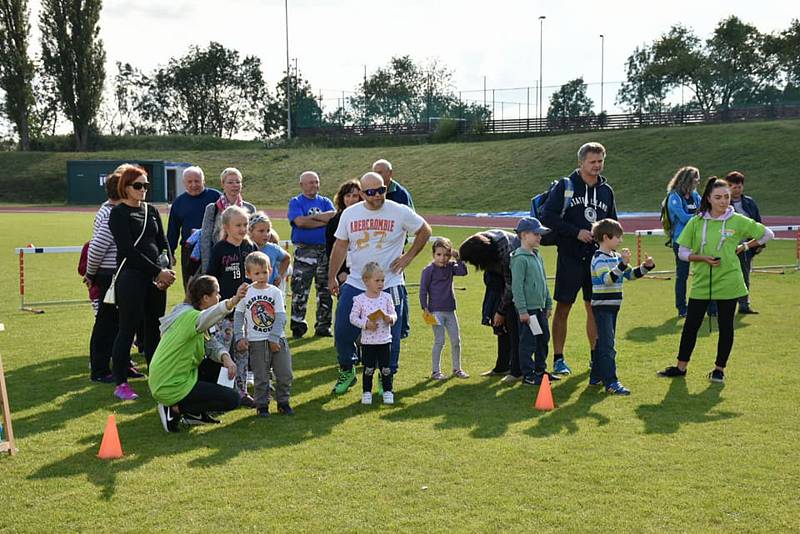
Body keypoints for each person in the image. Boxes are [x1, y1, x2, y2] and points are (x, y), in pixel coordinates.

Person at [657, 177, 773, 383]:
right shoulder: (696, 221)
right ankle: (680, 367)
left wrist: (744, 246)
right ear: (708, 198)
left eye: (726, 197)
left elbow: (767, 234)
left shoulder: (737, 220)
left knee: (726, 326)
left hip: (730, 281)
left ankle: (719, 369)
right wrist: (701, 258)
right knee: (690, 326)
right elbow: (683, 252)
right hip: (702, 282)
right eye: (718, 197)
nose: (723, 201)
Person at [328, 172, 431, 396]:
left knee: (389, 335)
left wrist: (408, 257)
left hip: (390, 282)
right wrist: (332, 276)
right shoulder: (350, 214)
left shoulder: (399, 210)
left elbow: (425, 230)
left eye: (381, 190)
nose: (377, 196)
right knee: (343, 330)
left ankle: (387, 376)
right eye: (371, 192)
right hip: (356, 281)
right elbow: (340, 245)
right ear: (362, 193)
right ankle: (347, 370)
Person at [540, 142, 617, 375]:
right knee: (563, 306)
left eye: (600, 161)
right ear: (581, 162)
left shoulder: (606, 191)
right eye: (592, 161)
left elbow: (612, 222)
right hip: (570, 255)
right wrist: (576, 232)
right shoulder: (566, 186)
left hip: (597, 260)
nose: (597, 166)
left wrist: (610, 246)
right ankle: (559, 358)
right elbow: (547, 216)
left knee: (593, 308)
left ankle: (595, 357)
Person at [109, 165, 176, 401]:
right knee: (127, 329)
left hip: (156, 279)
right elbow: (127, 250)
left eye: (146, 185)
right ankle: (121, 383)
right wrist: (158, 271)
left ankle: (155, 373)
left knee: (154, 329)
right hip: (131, 278)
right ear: (125, 187)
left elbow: (163, 241)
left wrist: (168, 268)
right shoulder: (118, 213)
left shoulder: (152, 210)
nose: (143, 189)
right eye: (138, 185)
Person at [148, 276, 246, 433]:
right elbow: (211, 316)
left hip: (177, 375)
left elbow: (210, 343)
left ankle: (194, 413)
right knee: (233, 400)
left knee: (218, 367)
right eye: (217, 294)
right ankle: (174, 409)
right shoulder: (192, 317)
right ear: (206, 298)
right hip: (169, 383)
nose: (219, 297)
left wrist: (225, 358)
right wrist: (233, 301)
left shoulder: (189, 314)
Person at [589, 219, 655, 395]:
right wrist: (623, 264)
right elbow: (607, 279)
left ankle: (595, 376)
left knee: (602, 342)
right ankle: (611, 382)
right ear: (606, 237)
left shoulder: (616, 257)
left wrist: (646, 267)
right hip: (602, 307)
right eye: (618, 237)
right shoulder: (598, 258)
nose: (621, 241)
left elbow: (631, 275)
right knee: (608, 344)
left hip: (613, 307)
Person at [207, 206, 258, 405]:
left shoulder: (250, 247)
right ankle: (219, 392)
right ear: (226, 227)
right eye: (238, 225)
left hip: (244, 313)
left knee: (243, 351)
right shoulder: (219, 249)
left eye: (245, 224)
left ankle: (241, 391)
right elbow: (211, 276)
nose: (243, 229)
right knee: (223, 352)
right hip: (225, 311)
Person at [234, 252, 294, 417]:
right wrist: (239, 336)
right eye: (256, 273)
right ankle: (262, 406)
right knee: (261, 376)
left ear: (270, 270)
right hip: (256, 341)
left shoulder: (275, 292)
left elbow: (281, 316)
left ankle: (283, 402)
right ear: (248, 274)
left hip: (277, 340)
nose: (261, 276)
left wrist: (274, 338)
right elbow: (238, 315)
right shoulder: (246, 292)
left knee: (285, 374)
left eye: (265, 272)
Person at [459, 230, 522, 382]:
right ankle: (502, 366)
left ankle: (517, 370)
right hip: (498, 279)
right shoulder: (480, 241)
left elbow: (511, 286)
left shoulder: (507, 252)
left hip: (516, 282)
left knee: (512, 321)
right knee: (500, 326)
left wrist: (501, 311)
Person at [84, 166, 125, 383]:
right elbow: (97, 247)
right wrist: (91, 272)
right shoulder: (111, 213)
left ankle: (119, 364)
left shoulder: (108, 210)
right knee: (107, 323)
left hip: (114, 273)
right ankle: (100, 370)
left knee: (118, 323)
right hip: (110, 274)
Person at [287, 171, 336, 339]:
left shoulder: (325, 202)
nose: (313, 185)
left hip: (324, 251)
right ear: (302, 185)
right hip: (304, 251)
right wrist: (321, 220)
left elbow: (333, 217)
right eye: (310, 183)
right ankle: (298, 325)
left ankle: (323, 325)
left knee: (325, 289)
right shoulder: (296, 202)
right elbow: (299, 222)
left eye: (316, 182)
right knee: (300, 289)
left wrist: (311, 220)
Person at [509, 217, 557, 386]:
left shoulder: (537, 256)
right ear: (523, 235)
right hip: (529, 310)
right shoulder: (519, 259)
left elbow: (543, 282)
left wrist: (548, 303)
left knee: (543, 338)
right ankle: (528, 375)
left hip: (540, 308)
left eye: (540, 234)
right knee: (528, 342)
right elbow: (517, 287)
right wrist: (522, 310)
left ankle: (540, 370)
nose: (540, 237)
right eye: (536, 234)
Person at [373, 159, 415, 344]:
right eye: (375, 172)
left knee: (397, 287)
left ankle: (402, 327)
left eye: (381, 172)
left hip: (395, 249)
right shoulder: (371, 191)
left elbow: (411, 222)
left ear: (390, 174)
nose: (378, 176)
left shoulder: (400, 194)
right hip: (376, 248)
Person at [419, 237, 469, 380]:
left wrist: (458, 258)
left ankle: (457, 369)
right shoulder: (428, 270)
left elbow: (463, 272)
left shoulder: (451, 267)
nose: (442, 258)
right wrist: (425, 308)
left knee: (456, 341)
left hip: (450, 311)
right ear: (433, 254)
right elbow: (423, 290)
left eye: (446, 255)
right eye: (439, 255)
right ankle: (436, 371)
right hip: (435, 312)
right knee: (439, 341)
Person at [349, 262, 398, 405]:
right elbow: (352, 318)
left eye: (382, 280)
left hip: (384, 341)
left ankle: (388, 391)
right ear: (366, 280)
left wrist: (390, 319)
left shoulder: (387, 297)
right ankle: (366, 392)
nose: (381, 284)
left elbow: (393, 313)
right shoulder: (359, 300)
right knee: (368, 368)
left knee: (386, 368)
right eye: (377, 281)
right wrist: (366, 324)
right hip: (368, 342)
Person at [166, 166, 221, 289]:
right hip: (190, 250)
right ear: (184, 183)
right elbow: (173, 231)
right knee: (191, 286)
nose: (193, 185)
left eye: (197, 181)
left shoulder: (216, 197)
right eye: (189, 182)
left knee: (213, 284)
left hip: (213, 246)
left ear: (203, 181)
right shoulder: (179, 202)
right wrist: (170, 253)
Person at [200, 167, 256, 273]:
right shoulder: (212, 209)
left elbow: (253, 237)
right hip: (219, 260)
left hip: (243, 259)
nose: (234, 185)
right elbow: (205, 239)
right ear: (223, 184)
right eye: (230, 182)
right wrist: (206, 269)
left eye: (238, 182)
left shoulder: (250, 209)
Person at [666, 166, 703, 318]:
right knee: (682, 275)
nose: (698, 181)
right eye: (696, 178)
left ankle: (711, 307)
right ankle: (682, 308)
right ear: (687, 179)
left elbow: (705, 210)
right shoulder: (673, 197)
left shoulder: (694, 195)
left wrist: (700, 214)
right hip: (681, 240)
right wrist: (699, 215)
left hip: (698, 239)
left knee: (706, 271)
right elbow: (683, 218)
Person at [724, 171, 762, 314]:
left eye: (739, 186)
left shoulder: (749, 202)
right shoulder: (723, 203)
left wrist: (759, 244)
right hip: (726, 245)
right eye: (733, 186)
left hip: (745, 246)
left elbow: (758, 223)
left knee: (744, 275)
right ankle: (716, 306)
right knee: (723, 275)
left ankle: (744, 305)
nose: (737, 189)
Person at [325, 179, 362, 286]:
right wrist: (340, 271)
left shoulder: (367, 218)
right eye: (348, 196)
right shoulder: (335, 221)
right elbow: (331, 248)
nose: (351, 199)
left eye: (355, 196)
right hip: (345, 273)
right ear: (342, 197)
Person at [248, 211, 290, 286]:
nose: (266, 234)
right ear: (250, 231)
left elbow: (287, 258)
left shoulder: (273, 248)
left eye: (268, 230)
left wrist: (280, 275)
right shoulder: (245, 248)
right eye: (261, 231)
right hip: (249, 291)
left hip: (268, 292)